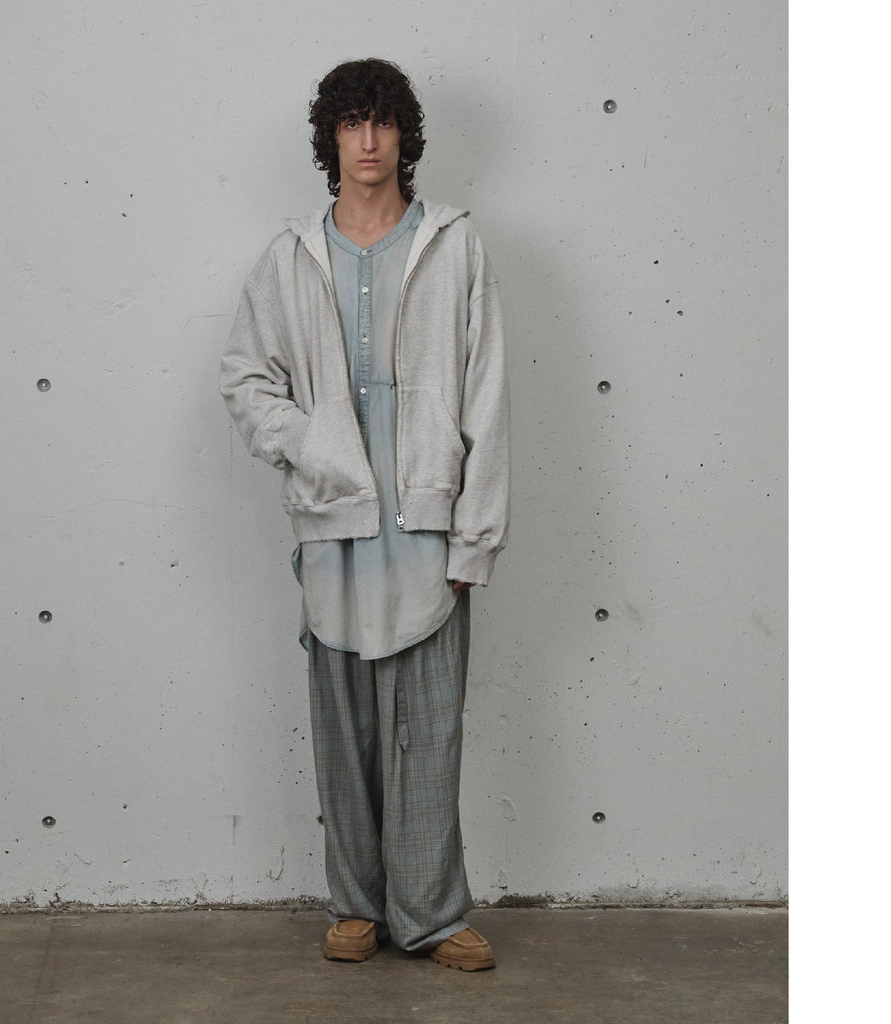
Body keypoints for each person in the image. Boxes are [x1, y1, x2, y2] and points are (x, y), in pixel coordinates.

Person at [220, 57, 509, 971]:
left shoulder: (454, 247)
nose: (369, 141)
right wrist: (309, 443)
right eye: (352, 123)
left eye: (383, 122)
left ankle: (430, 913)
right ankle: (355, 904)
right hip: (333, 520)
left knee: (430, 726)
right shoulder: (290, 256)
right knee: (344, 729)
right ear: (331, 139)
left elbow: (487, 397)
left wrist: (475, 536)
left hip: (427, 524)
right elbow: (246, 378)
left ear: (404, 135)